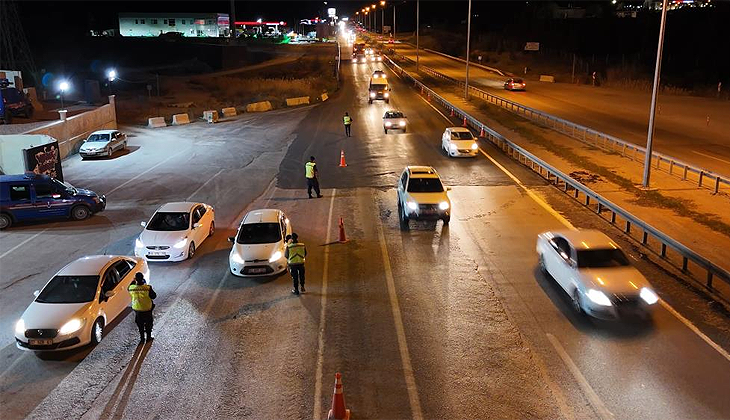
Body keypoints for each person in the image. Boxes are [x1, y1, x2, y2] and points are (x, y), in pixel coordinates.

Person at [128, 272, 157, 344]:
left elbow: (129, 286)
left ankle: (142, 339)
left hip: (137, 310)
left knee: (140, 324)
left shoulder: (131, 288)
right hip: (147, 309)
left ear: (135, 279)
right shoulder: (147, 288)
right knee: (148, 324)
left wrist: (133, 281)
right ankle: (148, 338)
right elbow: (154, 296)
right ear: (143, 279)